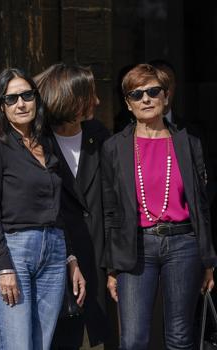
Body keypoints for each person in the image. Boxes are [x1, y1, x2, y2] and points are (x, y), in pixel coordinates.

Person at [102, 63, 217, 349]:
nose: (146, 99)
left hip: (184, 244)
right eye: (136, 94)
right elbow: (110, 210)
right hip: (136, 246)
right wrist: (111, 266)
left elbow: (201, 205)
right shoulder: (115, 147)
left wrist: (208, 260)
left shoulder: (188, 142)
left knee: (179, 337)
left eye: (153, 91)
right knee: (133, 339)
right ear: (128, 104)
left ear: (166, 97)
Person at [0, 67, 86, 350]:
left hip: (53, 251)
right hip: (14, 253)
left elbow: (59, 207)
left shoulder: (46, 143)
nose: (21, 104)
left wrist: (71, 257)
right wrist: (3, 268)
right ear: (2, 106)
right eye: (11, 99)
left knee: (41, 345)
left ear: (36, 99)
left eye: (26, 95)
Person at [35, 63, 111, 349]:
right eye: (90, 94)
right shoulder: (39, 143)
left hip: (98, 256)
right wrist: (67, 256)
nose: (98, 101)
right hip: (58, 258)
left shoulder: (99, 135)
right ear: (70, 97)